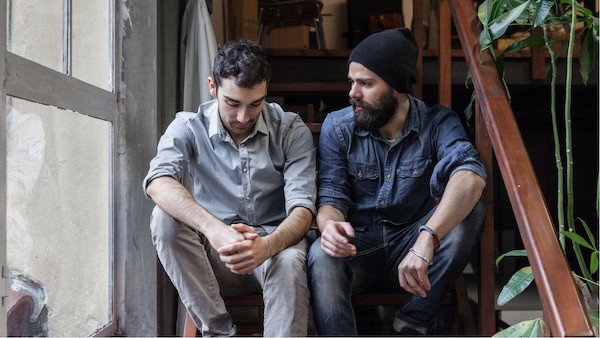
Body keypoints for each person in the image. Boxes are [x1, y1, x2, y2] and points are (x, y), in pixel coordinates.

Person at [307, 27, 487, 335]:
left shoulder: (438, 123)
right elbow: (331, 198)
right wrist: (330, 227)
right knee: (322, 254)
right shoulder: (338, 127)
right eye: (352, 82)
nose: (353, 93)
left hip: (414, 248)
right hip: (358, 248)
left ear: (397, 86)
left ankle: (413, 323)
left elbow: (470, 176)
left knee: (471, 210)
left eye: (365, 83)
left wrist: (427, 238)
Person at [143, 39, 316, 337]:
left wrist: (268, 245)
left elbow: (302, 210)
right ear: (213, 87)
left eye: (255, 104)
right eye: (232, 103)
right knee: (163, 219)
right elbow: (158, 182)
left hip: (275, 249)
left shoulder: (290, 129)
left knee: (289, 263)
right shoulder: (188, 126)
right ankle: (220, 333)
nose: (243, 117)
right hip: (214, 256)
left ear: (266, 91)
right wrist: (215, 230)